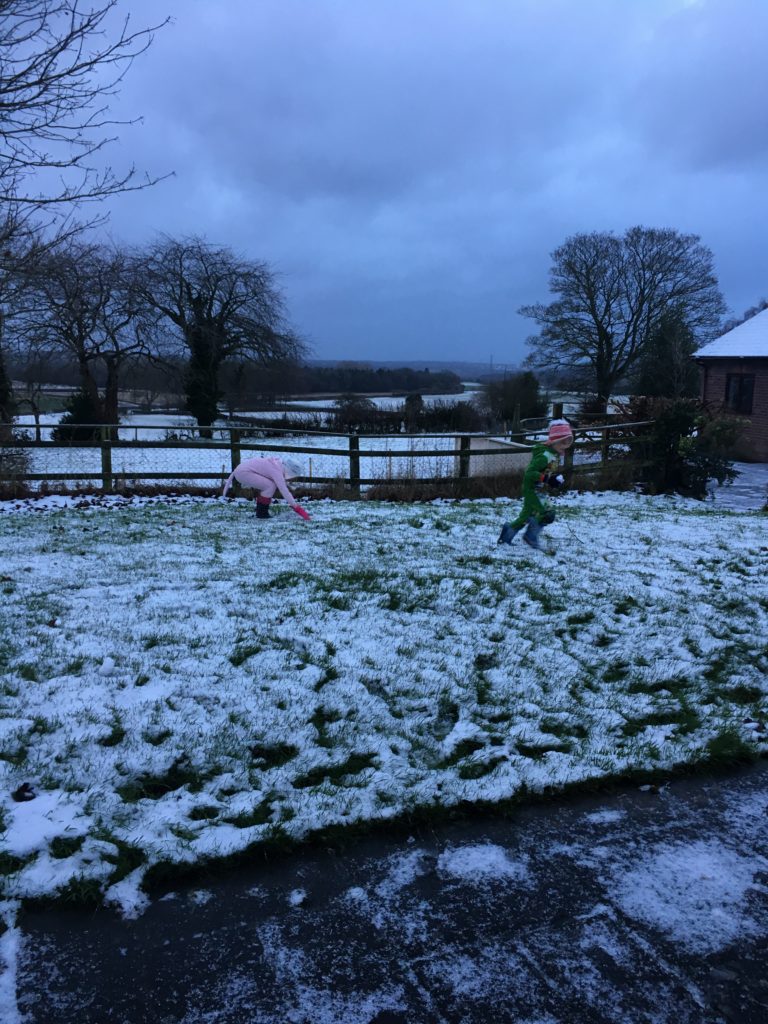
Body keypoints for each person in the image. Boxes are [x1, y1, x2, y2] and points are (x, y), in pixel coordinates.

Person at [497, 419, 573, 549]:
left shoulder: (554, 454)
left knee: (525, 516)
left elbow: (545, 471)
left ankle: (506, 536)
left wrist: (554, 479)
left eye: (568, 441)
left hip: (537, 489)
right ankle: (530, 537)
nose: (565, 445)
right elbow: (529, 473)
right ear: (554, 441)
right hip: (531, 489)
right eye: (562, 442)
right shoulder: (544, 456)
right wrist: (547, 479)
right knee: (547, 513)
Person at [222, 456, 311, 520]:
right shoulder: (277, 471)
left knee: (270, 485)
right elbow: (284, 491)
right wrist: (297, 508)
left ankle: (261, 512)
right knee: (270, 486)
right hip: (243, 473)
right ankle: (261, 513)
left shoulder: (278, 464)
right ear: (290, 471)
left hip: (241, 470)